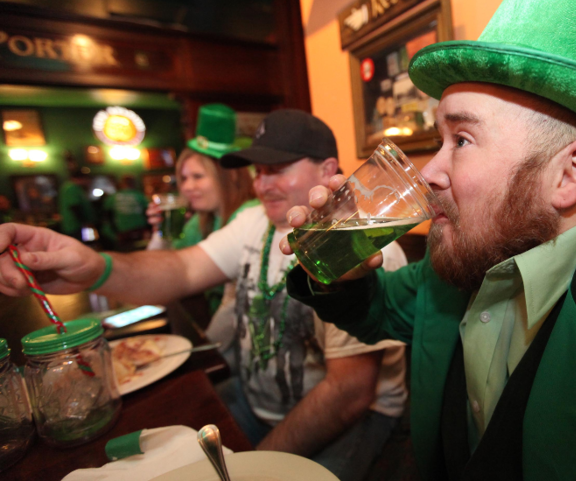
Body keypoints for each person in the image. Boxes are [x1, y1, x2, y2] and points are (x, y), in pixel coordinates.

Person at [281, 0, 576, 481]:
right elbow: (381, 311)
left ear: (571, 175)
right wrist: (343, 277)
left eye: (461, 140)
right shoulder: (468, 255)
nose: (430, 171)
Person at [0, 109, 408, 481]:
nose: (260, 183)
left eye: (276, 169)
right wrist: (93, 267)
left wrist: (252, 465)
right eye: (257, 170)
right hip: (253, 400)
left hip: (356, 416)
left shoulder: (366, 249)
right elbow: (182, 267)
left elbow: (349, 394)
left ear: (328, 169)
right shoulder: (254, 222)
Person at [147, 103, 258, 314]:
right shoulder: (199, 221)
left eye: (198, 177)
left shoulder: (248, 216)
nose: (187, 187)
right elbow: (159, 275)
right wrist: (161, 234)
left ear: (230, 176)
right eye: (183, 178)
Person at [101, 175, 150, 250]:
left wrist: (114, 232)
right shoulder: (140, 196)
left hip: (121, 232)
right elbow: (147, 213)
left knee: (124, 254)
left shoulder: (113, 197)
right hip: (138, 230)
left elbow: (108, 216)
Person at [58, 152, 96, 240]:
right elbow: (75, 207)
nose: (88, 182)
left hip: (77, 225)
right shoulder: (71, 188)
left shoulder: (76, 188)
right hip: (74, 226)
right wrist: (85, 221)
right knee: (80, 246)